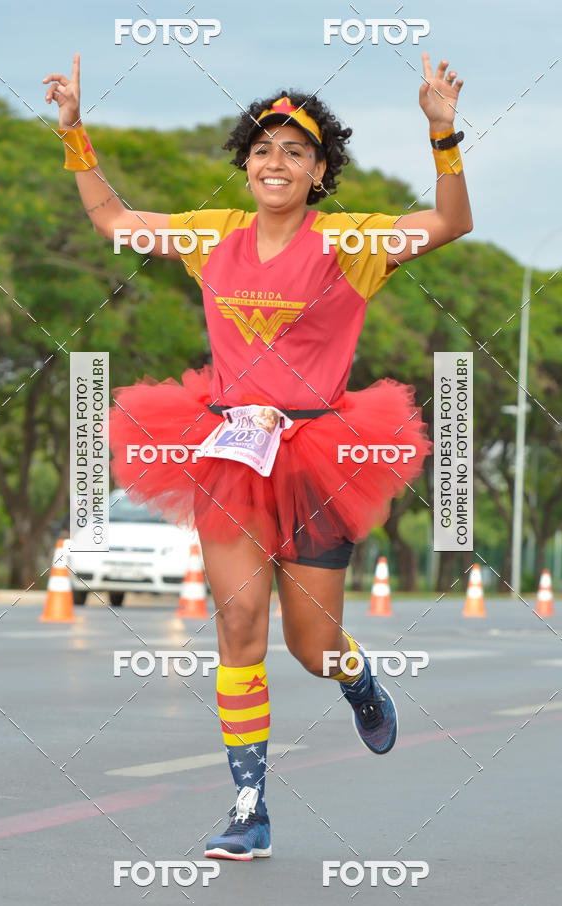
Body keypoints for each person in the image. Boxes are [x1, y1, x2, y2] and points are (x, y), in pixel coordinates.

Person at [43, 51, 472, 861]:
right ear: (245, 164)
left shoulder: (352, 240)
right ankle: (250, 806)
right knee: (239, 626)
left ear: (318, 171)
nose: (277, 162)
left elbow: (450, 223)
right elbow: (114, 221)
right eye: (264, 148)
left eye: (296, 151)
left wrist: (442, 135)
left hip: (320, 452)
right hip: (231, 449)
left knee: (312, 648)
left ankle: (356, 679)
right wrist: (75, 133)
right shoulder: (214, 235)